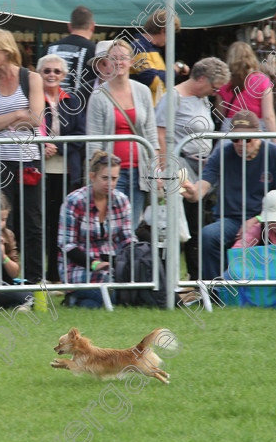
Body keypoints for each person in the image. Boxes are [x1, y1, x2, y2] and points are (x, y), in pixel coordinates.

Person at [181, 112, 276, 281]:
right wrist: (192, 192)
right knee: (208, 235)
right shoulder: (222, 153)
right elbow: (202, 187)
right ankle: (215, 292)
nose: (240, 144)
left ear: (260, 135)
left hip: (268, 220)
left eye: (246, 139)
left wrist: (256, 220)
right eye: (235, 139)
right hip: (230, 220)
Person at [0, 28, 45, 284]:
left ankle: (35, 280)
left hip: (28, 161)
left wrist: (1, 120)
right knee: (0, 222)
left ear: (5, 50)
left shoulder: (32, 79)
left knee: (33, 222)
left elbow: (36, 118)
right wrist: (18, 115)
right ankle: (2, 280)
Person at [155, 57, 230, 278]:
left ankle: (197, 278)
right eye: (213, 87)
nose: (214, 92)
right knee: (179, 226)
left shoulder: (203, 99)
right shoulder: (173, 97)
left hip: (202, 170)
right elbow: (160, 132)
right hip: (180, 169)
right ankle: (171, 280)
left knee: (197, 225)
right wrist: (165, 168)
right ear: (202, 78)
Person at [87, 39, 159, 227]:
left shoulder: (142, 91)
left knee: (131, 226)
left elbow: (151, 132)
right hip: (109, 173)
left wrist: (156, 168)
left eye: (123, 57)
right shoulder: (98, 96)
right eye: (113, 58)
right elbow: (93, 141)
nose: (119, 62)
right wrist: (95, 173)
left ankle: (126, 258)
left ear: (131, 61)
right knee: (110, 224)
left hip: (139, 171)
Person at [58, 151, 134, 307]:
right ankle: (77, 298)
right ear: (92, 177)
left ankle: (77, 302)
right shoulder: (74, 201)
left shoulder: (122, 200)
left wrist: (132, 257)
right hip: (78, 267)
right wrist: (94, 264)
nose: (110, 184)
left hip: (112, 267)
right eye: (105, 178)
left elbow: (127, 238)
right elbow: (67, 245)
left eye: (114, 179)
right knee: (116, 297)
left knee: (100, 302)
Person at [37, 53, 86, 283]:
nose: (51, 75)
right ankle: (40, 274)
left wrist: (56, 146)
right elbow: (26, 130)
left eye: (56, 71)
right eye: (47, 71)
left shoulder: (73, 100)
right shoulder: (33, 98)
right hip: (38, 170)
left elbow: (80, 135)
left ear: (64, 75)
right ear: (39, 74)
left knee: (62, 224)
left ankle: (58, 274)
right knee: (40, 223)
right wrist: (41, 147)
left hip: (66, 170)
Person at [129, 9, 187, 106]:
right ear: (164, 30)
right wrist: (175, 69)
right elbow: (155, 82)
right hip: (144, 111)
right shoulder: (138, 47)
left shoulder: (153, 49)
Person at [215, 41, 276, 133]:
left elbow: (220, 112)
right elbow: (268, 116)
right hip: (255, 129)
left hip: (230, 129)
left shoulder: (222, 81)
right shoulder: (262, 80)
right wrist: (274, 140)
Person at [45, 5, 96, 109]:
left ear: (69, 26)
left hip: (48, 111)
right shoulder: (95, 51)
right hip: (82, 112)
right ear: (92, 26)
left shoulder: (49, 49)